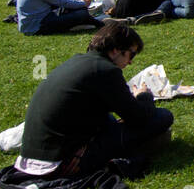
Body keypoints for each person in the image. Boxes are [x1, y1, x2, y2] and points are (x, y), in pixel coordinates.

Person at [11, 21, 173, 180]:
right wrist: (143, 96)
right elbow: (139, 118)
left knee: (110, 120)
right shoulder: (106, 71)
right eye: (132, 54)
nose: (130, 61)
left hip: (32, 157)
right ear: (116, 50)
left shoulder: (78, 62)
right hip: (61, 161)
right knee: (163, 116)